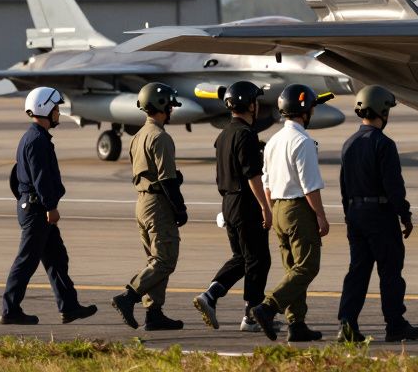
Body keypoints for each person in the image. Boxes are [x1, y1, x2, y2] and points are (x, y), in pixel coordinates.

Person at [0, 87, 97, 325]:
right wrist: (49, 206)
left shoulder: (33, 137)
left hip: (34, 207)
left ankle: (70, 307)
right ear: (45, 109)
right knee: (27, 261)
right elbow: (40, 177)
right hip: (38, 211)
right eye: (56, 108)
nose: (58, 113)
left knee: (56, 258)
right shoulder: (37, 141)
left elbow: (17, 177)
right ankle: (10, 310)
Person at [336, 85, 418, 343]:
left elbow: (344, 185)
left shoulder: (349, 143)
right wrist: (405, 215)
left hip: (355, 214)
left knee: (357, 272)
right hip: (380, 215)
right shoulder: (384, 145)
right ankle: (395, 324)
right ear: (382, 110)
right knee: (390, 273)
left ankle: (347, 323)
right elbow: (393, 185)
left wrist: (348, 215)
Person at [247, 84, 332, 342]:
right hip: (298, 208)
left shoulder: (273, 140)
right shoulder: (303, 141)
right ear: (304, 111)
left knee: (292, 269)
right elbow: (310, 185)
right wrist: (320, 215)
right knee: (307, 267)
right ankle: (268, 307)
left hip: (279, 208)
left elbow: (267, 181)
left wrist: (271, 210)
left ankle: (297, 324)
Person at [192, 81, 276, 333]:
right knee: (259, 259)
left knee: (242, 258)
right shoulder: (245, 134)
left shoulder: (224, 135)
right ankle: (251, 316)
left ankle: (211, 295)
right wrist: (265, 207)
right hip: (246, 204)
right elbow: (253, 175)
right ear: (251, 105)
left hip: (228, 202)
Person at [111, 82, 188, 331]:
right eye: (170, 104)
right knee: (165, 260)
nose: (172, 109)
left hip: (142, 203)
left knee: (154, 260)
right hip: (157, 204)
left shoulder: (138, 136)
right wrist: (180, 208)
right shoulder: (161, 137)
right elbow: (166, 179)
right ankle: (129, 296)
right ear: (162, 105)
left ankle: (153, 313)